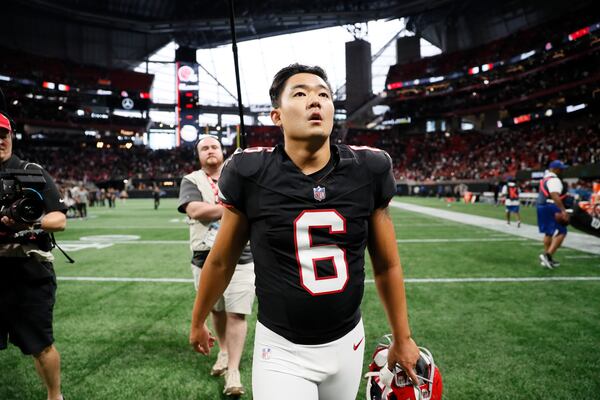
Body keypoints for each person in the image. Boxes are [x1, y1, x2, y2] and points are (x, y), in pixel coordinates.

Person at [189, 64, 420, 400]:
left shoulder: (368, 169)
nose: (315, 101)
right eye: (300, 94)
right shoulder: (251, 173)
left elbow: (387, 265)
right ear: (277, 115)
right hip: (282, 347)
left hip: (348, 342)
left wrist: (403, 336)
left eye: (323, 94)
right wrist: (198, 320)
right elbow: (222, 261)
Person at [178, 135, 255, 396]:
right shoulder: (192, 180)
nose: (210, 150)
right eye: (204, 148)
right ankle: (223, 351)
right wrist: (235, 207)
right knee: (217, 309)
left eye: (214, 146)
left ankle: (233, 370)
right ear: (198, 155)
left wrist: (218, 208)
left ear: (223, 151)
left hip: (242, 252)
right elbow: (195, 210)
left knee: (237, 312)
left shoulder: (238, 174)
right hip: (204, 254)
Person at [0, 111, 67, 400]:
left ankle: (55, 396)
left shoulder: (31, 171)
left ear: (11, 136)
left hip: (29, 272)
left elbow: (59, 219)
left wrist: (31, 222)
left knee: (41, 345)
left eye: (3, 134)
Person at [537, 160, 570, 269]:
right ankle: (548, 255)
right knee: (562, 231)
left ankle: (547, 259)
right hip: (550, 206)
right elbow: (554, 195)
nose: (562, 171)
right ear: (555, 169)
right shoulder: (554, 180)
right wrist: (563, 210)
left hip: (542, 206)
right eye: (560, 169)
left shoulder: (545, 178)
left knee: (548, 233)